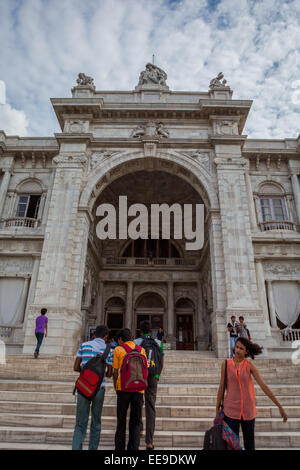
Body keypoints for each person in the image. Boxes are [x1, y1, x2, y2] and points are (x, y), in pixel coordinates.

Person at [215, 337, 288, 450]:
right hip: (230, 412)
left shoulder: (249, 366)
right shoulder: (226, 364)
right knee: (232, 446)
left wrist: (279, 406)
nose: (237, 350)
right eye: (237, 346)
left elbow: (264, 386)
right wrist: (217, 409)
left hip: (248, 412)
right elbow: (221, 387)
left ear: (246, 351)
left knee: (250, 445)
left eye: (241, 348)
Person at [72, 325, 113, 450]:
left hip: (84, 388)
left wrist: (85, 374)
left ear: (94, 334)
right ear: (106, 336)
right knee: (96, 422)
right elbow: (110, 374)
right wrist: (99, 375)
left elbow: (76, 367)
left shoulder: (85, 346)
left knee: (80, 423)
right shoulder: (108, 350)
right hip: (99, 389)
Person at [113, 328, 148, 450]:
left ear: (121, 339)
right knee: (136, 422)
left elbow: (115, 371)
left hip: (123, 388)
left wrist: (115, 386)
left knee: (121, 421)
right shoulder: (141, 350)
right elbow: (145, 370)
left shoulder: (118, 349)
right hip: (139, 389)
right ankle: (133, 448)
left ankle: (119, 448)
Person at [135, 320, 164, 450]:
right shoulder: (158, 343)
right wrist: (157, 376)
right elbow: (161, 362)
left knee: (138, 403)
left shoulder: (136, 343)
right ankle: (149, 441)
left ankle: (140, 429)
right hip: (153, 377)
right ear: (151, 332)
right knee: (150, 406)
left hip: (139, 376)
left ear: (140, 331)